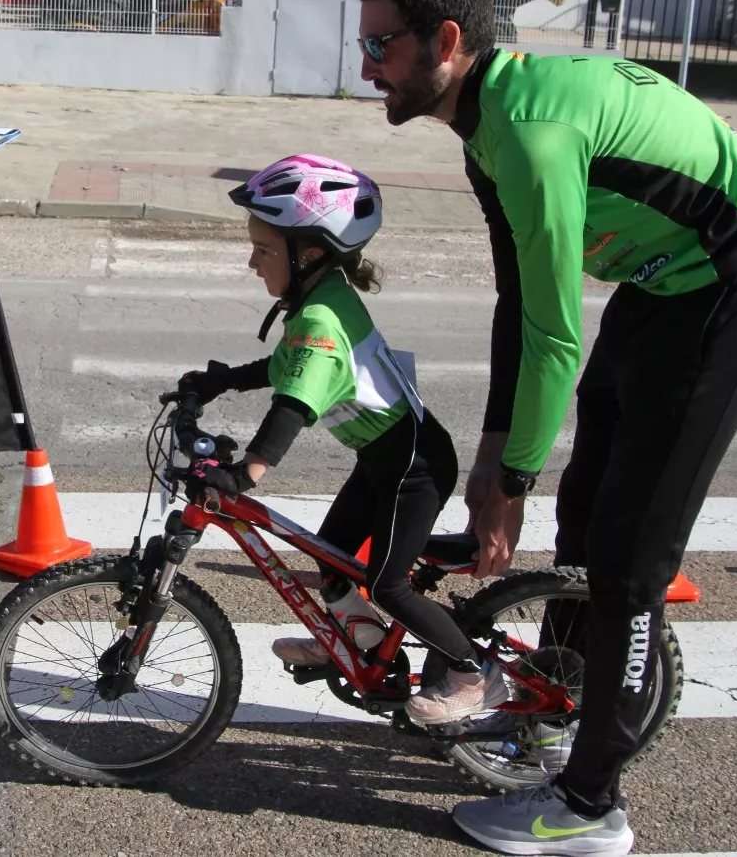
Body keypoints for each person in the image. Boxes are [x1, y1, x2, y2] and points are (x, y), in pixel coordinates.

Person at [352, 0, 737, 856]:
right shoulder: (487, 124)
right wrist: (492, 456)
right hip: (663, 287)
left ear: (446, 41)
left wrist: (512, 475)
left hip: (732, 291)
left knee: (633, 565)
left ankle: (590, 808)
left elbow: (556, 332)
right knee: (587, 526)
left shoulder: (528, 133)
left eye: (382, 45)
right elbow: (517, 301)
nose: (367, 66)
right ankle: (552, 713)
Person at [180, 154, 511, 727]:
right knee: (331, 561)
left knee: (387, 584)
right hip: (384, 461)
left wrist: (249, 471)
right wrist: (223, 380)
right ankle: (354, 640)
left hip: (415, 470)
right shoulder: (319, 298)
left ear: (306, 253)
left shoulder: (320, 321)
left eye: (262, 249)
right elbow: (289, 366)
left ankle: (473, 674)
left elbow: (295, 402)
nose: (251, 261)